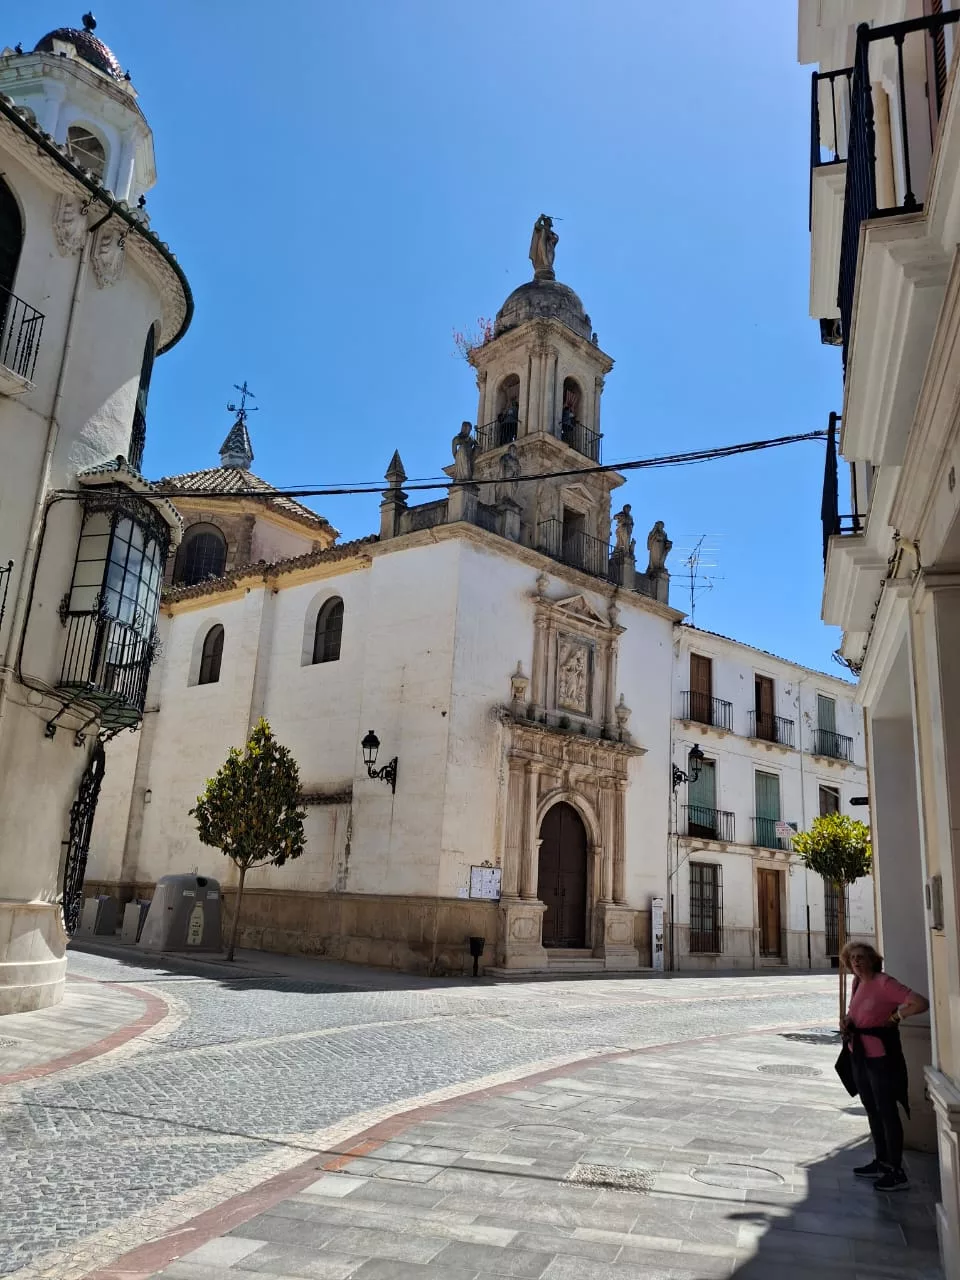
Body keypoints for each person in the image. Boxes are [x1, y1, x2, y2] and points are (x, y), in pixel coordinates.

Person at [839, 941, 929, 1191]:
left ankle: (896, 1170)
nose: (856, 961)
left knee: (887, 1110)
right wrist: (847, 1021)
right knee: (871, 1107)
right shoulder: (857, 983)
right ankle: (881, 1161)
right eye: (853, 958)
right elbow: (854, 1012)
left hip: (881, 1057)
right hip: (859, 1054)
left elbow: (920, 1003)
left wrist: (897, 1016)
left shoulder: (884, 983)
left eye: (861, 957)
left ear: (872, 960)